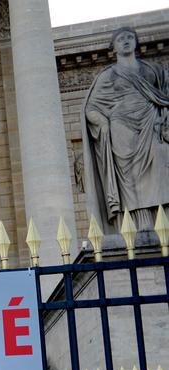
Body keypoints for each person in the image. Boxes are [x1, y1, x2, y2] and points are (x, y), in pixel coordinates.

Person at [82, 27, 169, 234]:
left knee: (160, 167)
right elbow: (91, 108)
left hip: (151, 124)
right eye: (121, 39)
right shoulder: (109, 75)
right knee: (130, 180)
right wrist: (103, 124)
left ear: (137, 42)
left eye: (130, 37)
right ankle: (140, 225)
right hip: (122, 131)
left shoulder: (152, 70)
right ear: (114, 47)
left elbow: (164, 96)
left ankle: (163, 220)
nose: (126, 41)